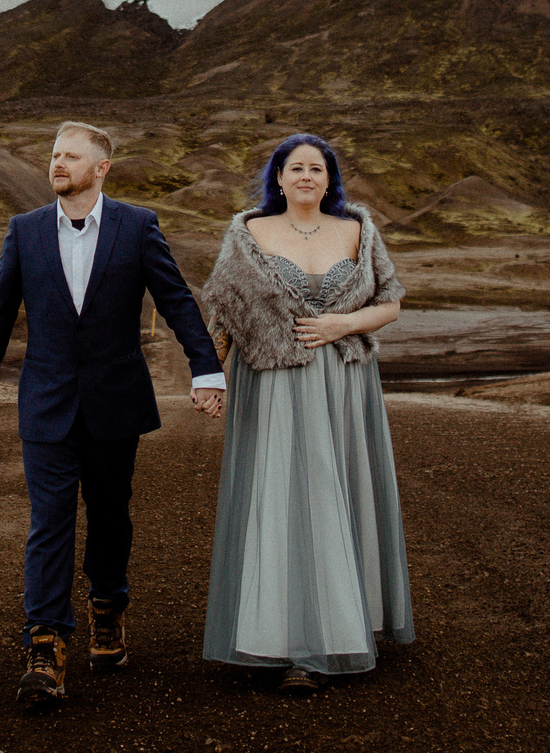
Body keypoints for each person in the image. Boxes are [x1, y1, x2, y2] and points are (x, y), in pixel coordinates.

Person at [0, 120, 227, 710]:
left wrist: (206, 369)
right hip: (46, 404)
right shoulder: (25, 230)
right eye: (54, 154)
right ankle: (46, 644)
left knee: (110, 518)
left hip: (115, 402)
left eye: (71, 156)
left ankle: (108, 606)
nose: (57, 163)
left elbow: (176, 300)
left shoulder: (137, 226)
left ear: (101, 168)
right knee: (49, 522)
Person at [198, 131, 414, 691]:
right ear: (278, 177)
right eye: (295, 168)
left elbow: (390, 302)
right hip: (273, 386)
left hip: (344, 384)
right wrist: (209, 379)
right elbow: (223, 311)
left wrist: (343, 324)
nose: (305, 178)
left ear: (329, 179)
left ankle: (343, 626)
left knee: (337, 491)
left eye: (316, 169)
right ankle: (280, 636)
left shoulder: (358, 232)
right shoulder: (248, 232)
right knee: (282, 497)